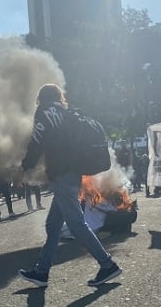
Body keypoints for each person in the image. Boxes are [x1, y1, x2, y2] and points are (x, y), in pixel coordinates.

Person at [14, 83, 121, 287]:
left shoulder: (44, 111)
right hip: (72, 174)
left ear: (41, 97)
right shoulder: (66, 112)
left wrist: (23, 169)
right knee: (53, 225)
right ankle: (42, 272)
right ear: (59, 97)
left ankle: (108, 265)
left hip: (62, 175)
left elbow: (36, 143)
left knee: (75, 224)